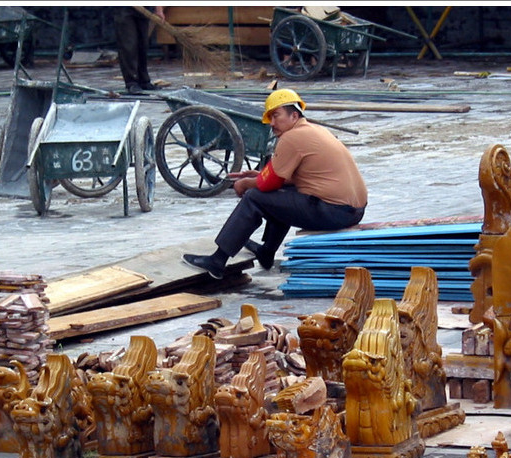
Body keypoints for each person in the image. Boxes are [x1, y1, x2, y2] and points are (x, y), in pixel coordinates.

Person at [183, 88, 368, 280]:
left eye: (276, 116)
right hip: (352, 210)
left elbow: (267, 184)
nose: (272, 123)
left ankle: (217, 261)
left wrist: (246, 183)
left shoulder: (292, 137)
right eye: (270, 118)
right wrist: (259, 175)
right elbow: (285, 178)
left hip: (334, 211)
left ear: (294, 115)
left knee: (254, 197)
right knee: (280, 195)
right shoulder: (314, 130)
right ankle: (267, 252)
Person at [113, 6, 165, 95]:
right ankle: (131, 82)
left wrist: (158, 10)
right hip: (124, 8)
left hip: (143, 9)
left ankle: (144, 81)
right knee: (128, 45)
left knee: (143, 45)